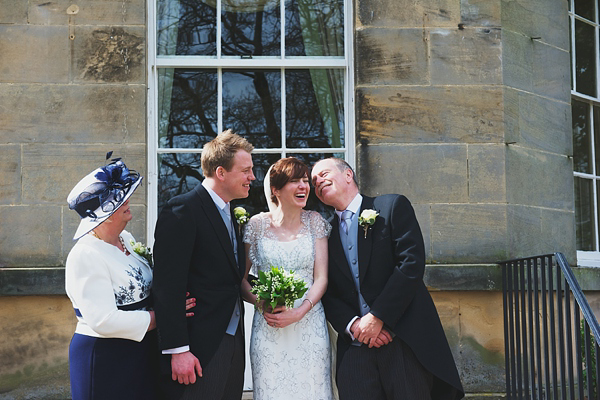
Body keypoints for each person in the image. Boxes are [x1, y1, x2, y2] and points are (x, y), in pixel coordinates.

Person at [311, 157, 464, 400]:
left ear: (348, 175)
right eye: (314, 181)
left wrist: (379, 318)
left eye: (324, 174)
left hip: (402, 341)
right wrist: (354, 325)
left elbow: (410, 265)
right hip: (355, 348)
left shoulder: (391, 206)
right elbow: (326, 290)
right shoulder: (324, 235)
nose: (317, 181)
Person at [65, 157, 195, 400]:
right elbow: (103, 321)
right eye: (119, 200)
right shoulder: (86, 254)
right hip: (105, 355)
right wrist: (163, 317)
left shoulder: (126, 239)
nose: (127, 201)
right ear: (103, 213)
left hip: (138, 351)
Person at [152, 130, 255, 399]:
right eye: (245, 171)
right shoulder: (182, 209)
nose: (252, 178)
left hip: (232, 342)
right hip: (198, 346)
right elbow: (167, 284)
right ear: (221, 173)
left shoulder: (230, 213)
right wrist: (178, 350)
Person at [241, 157, 333, 400]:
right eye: (295, 181)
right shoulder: (256, 225)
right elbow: (240, 280)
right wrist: (262, 304)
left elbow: (321, 278)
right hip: (269, 325)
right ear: (275, 189)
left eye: (305, 181)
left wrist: (300, 310)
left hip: (309, 323)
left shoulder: (315, 222)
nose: (304, 186)